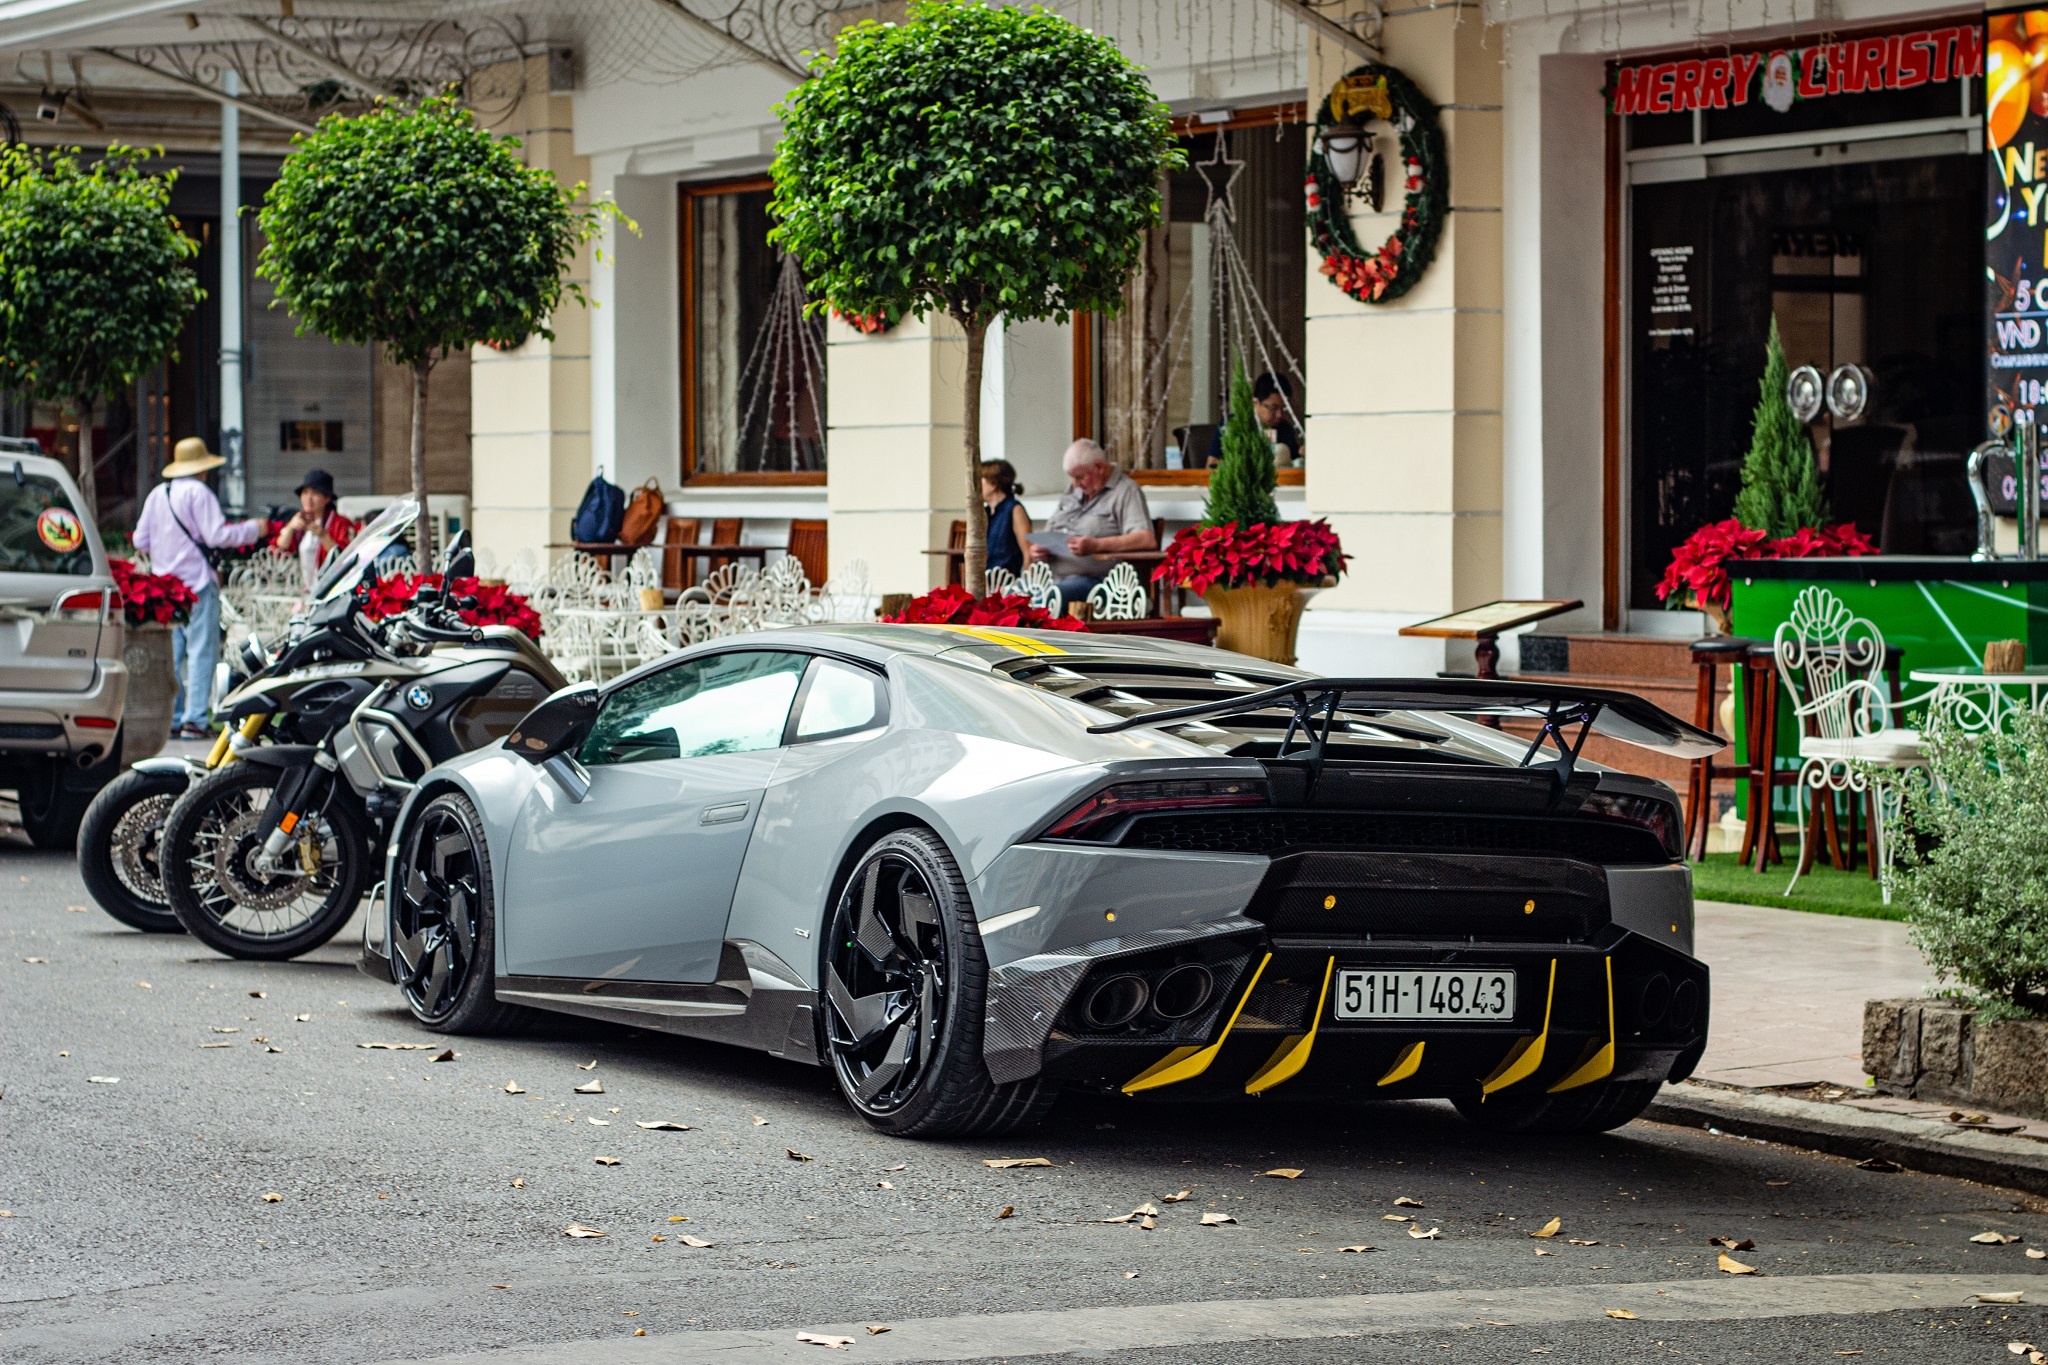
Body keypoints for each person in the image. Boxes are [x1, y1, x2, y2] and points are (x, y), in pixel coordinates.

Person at [132, 438, 268, 739]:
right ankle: (195, 720)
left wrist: (166, 554)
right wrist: (253, 529)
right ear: (202, 469)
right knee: (201, 653)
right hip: (197, 583)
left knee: (172, 654)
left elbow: (140, 540)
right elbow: (216, 536)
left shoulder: (158, 494)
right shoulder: (200, 493)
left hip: (166, 588)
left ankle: (173, 716)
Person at [1029, 438, 1156, 603]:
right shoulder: (1073, 491)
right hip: (1053, 578)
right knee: (1011, 597)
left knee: (1049, 598)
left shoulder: (1126, 491)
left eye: (1080, 477)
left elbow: (1146, 539)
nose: (1075, 484)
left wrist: (1096, 545)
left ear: (1099, 467)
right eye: (1072, 478)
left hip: (1100, 582)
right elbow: (1050, 531)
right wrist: (1040, 550)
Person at [273, 468, 358, 591]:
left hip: (331, 589)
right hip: (302, 589)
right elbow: (280, 549)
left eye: (315, 493)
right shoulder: (299, 520)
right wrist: (290, 528)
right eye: (305, 492)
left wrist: (323, 535)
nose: (309, 498)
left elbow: (345, 557)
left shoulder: (340, 523)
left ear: (327, 498)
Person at [980, 459, 1030, 578]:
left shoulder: (1015, 509)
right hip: (987, 580)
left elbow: (1028, 551)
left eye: (980, 481)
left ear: (993, 485)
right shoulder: (986, 512)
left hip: (1007, 582)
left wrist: (1026, 584)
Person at [1254, 372, 1303, 465]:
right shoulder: (1234, 425)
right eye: (1273, 408)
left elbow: (1294, 461)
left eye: (1283, 408)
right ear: (1256, 403)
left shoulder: (1286, 430)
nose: (1279, 415)